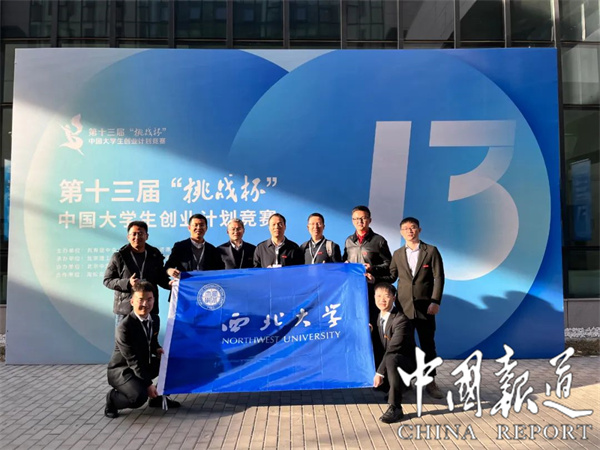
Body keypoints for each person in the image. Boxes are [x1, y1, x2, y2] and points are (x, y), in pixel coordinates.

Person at [387, 217, 445, 399]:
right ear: (401, 232)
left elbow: (439, 277)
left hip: (425, 307)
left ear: (419, 230)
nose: (409, 231)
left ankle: (430, 381)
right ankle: (406, 382)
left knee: (428, 345)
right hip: (403, 308)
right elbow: (391, 276)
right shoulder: (397, 254)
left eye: (412, 228)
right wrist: (370, 274)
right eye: (405, 228)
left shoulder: (431, 251)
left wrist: (435, 301)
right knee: (405, 345)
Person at [105, 281, 180, 418]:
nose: (145, 304)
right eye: (141, 299)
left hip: (143, 365)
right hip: (123, 370)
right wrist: (148, 384)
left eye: (149, 299)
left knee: (173, 363)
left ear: (154, 300)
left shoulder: (155, 319)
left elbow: (152, 341)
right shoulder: (124, 327)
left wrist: (157, 349)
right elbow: (132, 360)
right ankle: (112, 399)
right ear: (132, 301)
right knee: (139, 397)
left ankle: (158, 398)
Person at [104, 221, 171, 319]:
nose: (137, 237)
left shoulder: (154, 255)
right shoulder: (119, 256)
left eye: (140, 233)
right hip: (126, 310)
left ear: (147, 236)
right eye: (134, 234)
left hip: (149, 308)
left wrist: (171, 284)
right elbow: (107, 280)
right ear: (128, 237)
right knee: (124, 330)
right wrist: (128, 283)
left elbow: (160, 278)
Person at [372, 283, 416, 424]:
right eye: (378, 296)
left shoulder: (401, 320)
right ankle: (398, 386)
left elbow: (393, 349)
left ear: (394, 298)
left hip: (406, 361)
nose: (382, 300)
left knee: (391, 358)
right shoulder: (377, 316)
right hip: (391, 359)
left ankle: (395, 407)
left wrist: (379, 373)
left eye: (386, 296)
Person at [343, 205, 392, 327]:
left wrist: (372, 268)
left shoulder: (379, 241)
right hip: (353, 289)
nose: (360, 221)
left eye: (363, 218)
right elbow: (344, 261)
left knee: (373, 324)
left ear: (370, 220)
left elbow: (389, 265)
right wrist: (345, 265)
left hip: (372, 290)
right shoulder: (349, 241)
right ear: (352, 221)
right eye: (356, 219)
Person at [165, 213, 224, 280]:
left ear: (206, 228)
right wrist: (169, 271)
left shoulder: (212, 250)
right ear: (189, 228)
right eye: (195, 225)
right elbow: (167, 267)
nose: (198, 228)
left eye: (201, 225)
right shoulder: (180, 247)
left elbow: (220, 271)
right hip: (186, 285)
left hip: (206, 285)